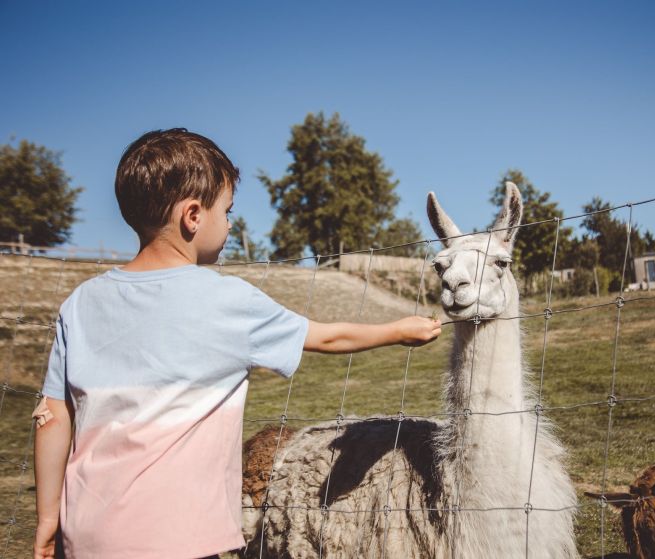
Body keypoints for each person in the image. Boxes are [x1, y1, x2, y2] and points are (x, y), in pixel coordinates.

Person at [32, 128, 441, 559]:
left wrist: (46, 519)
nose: (230, 224)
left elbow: (52, 417)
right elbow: (327, 335)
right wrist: (398, 330)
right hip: (179, 538)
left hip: (86, 533)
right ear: (193, 216)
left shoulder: (80, 303)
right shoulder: (228, 301)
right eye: (227, 211)